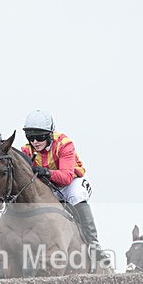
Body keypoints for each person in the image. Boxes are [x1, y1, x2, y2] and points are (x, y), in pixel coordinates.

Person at [20, 109, 105, 259]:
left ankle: (93, 243)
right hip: (48, 187)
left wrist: (46, 172)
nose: (34, 142)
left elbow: (66, 177)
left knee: (76, 193)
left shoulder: (64, 144)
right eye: (30, 137)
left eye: (39, 137)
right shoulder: (26, 150)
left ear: (49, 135)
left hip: (71, 183)